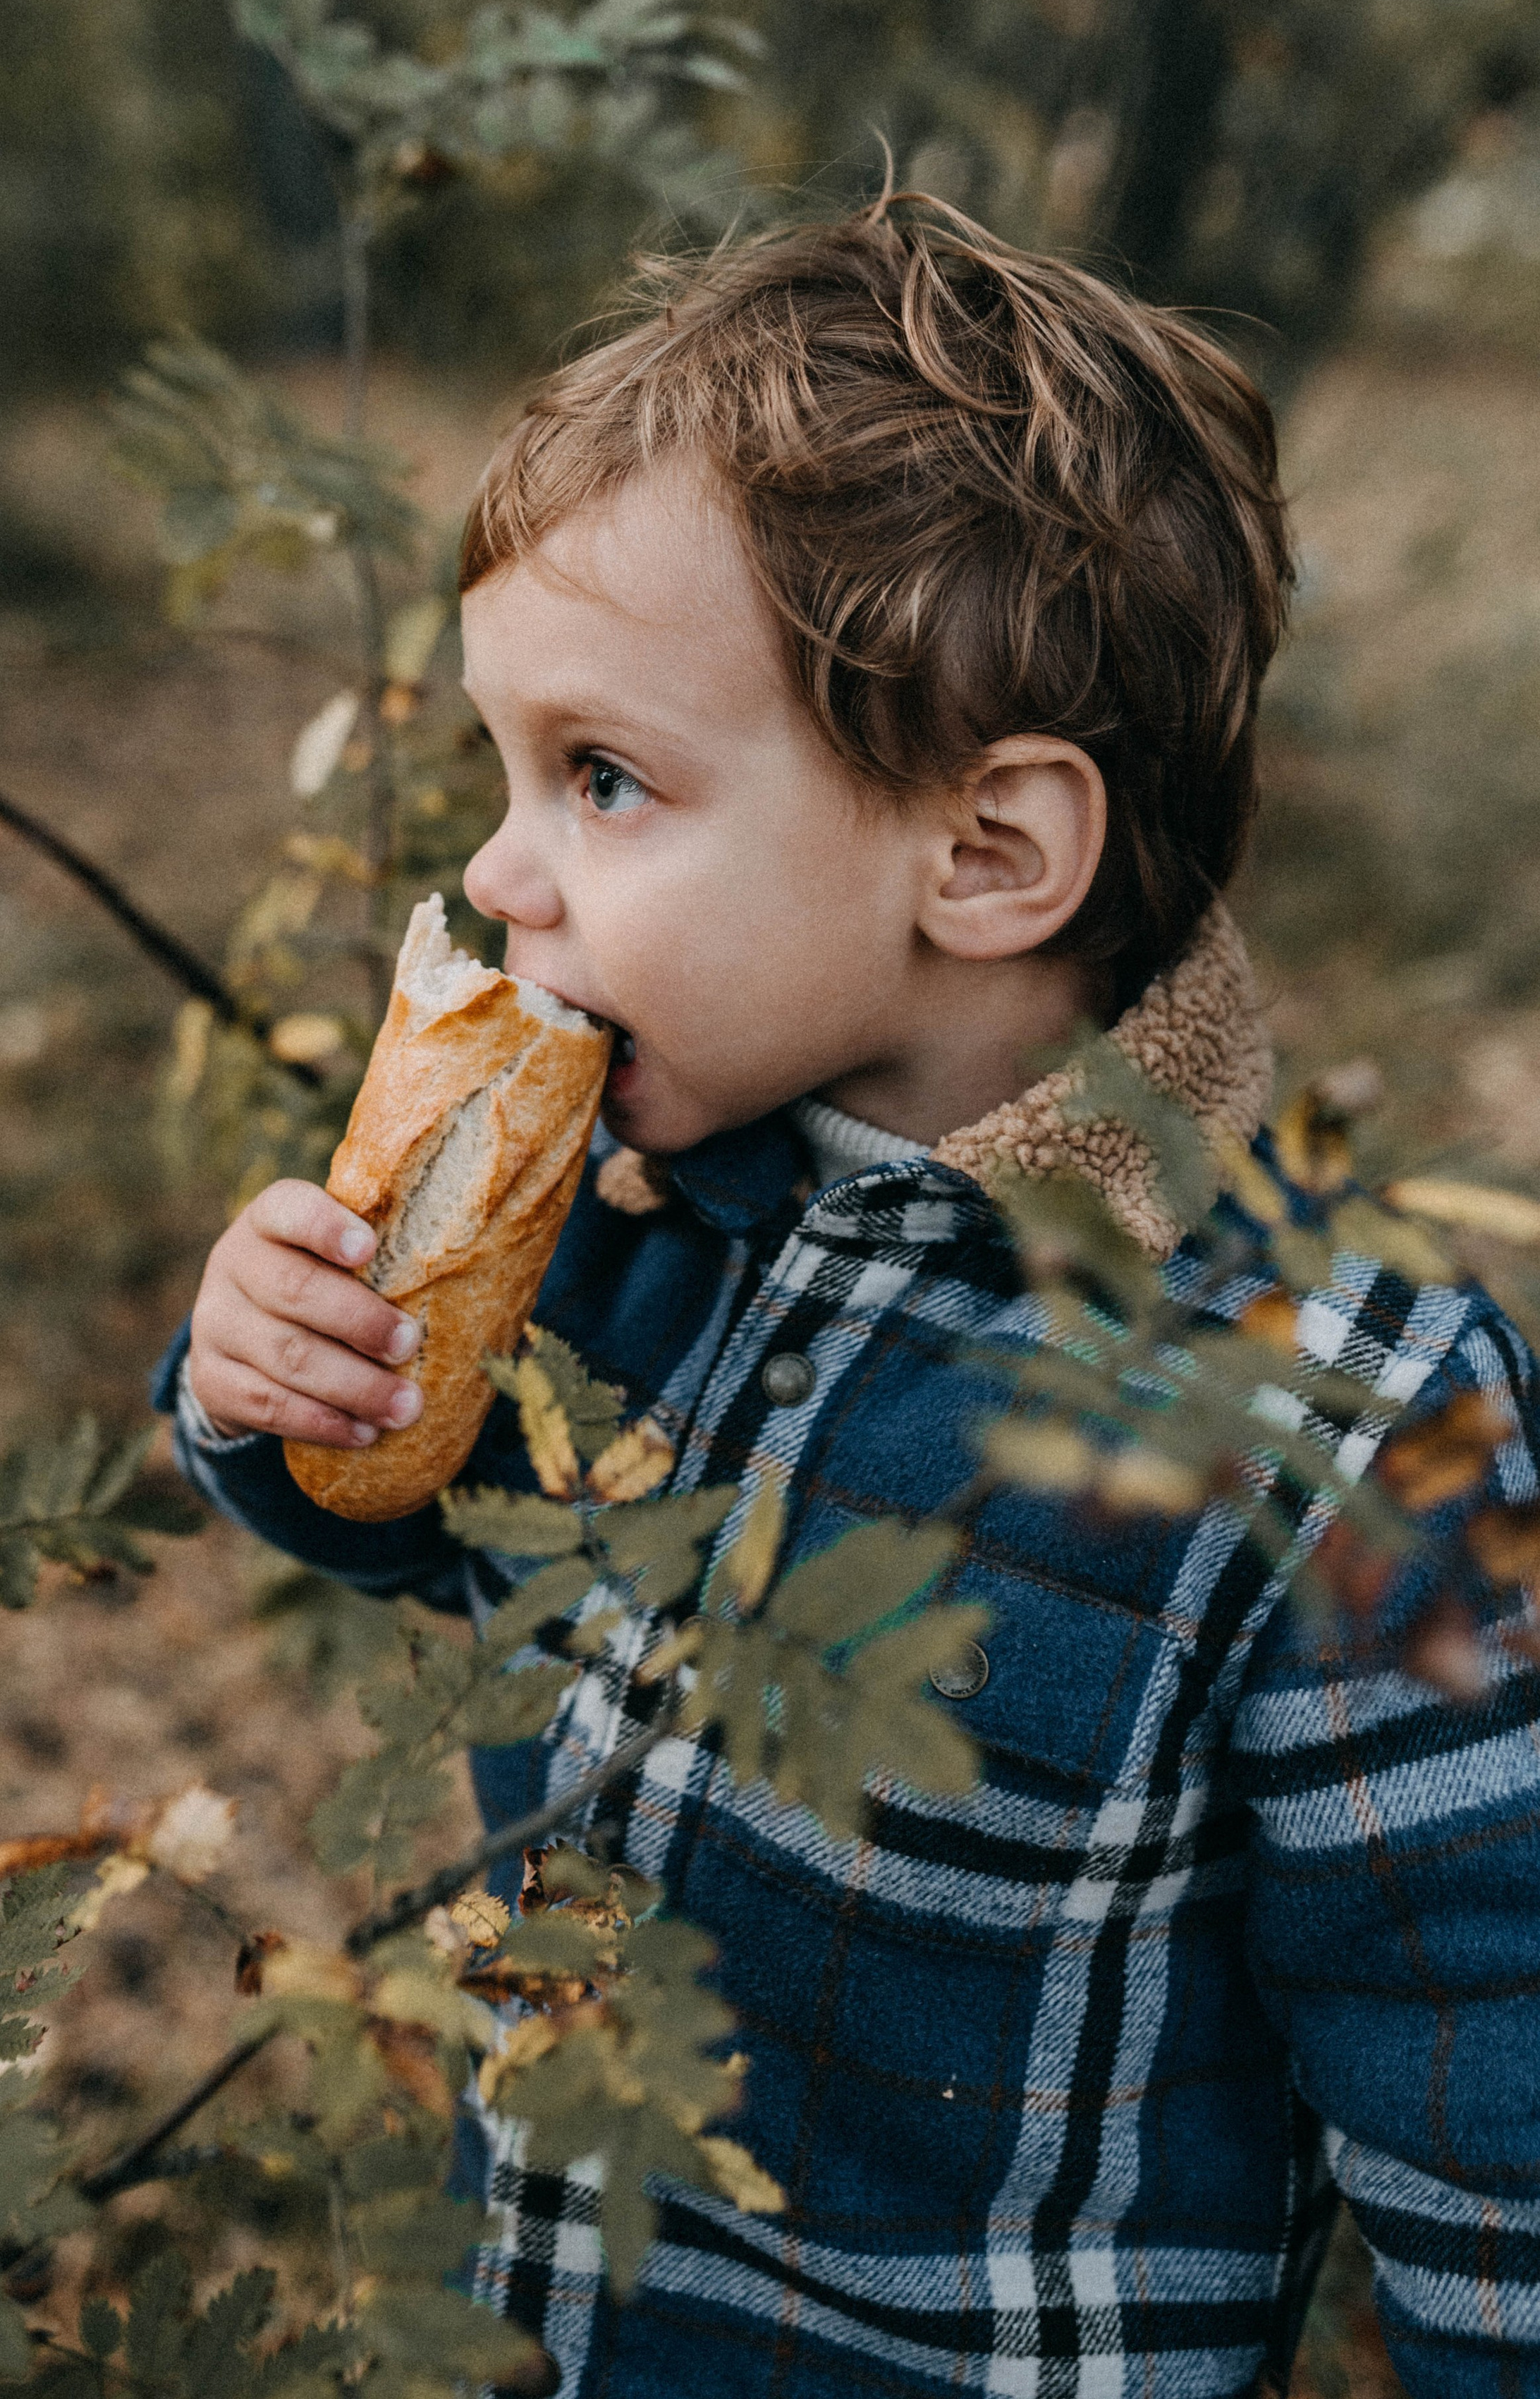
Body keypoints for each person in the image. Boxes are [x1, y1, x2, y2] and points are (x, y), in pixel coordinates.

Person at [155, 199, 1540, 2399]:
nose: (500, 876)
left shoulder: (1365, 1438)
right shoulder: (614, 1215)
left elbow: (1500, 2139)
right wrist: (270, 1380)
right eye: (508, 776)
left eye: (601, 780)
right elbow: (395, 1507)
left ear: (986, 856)